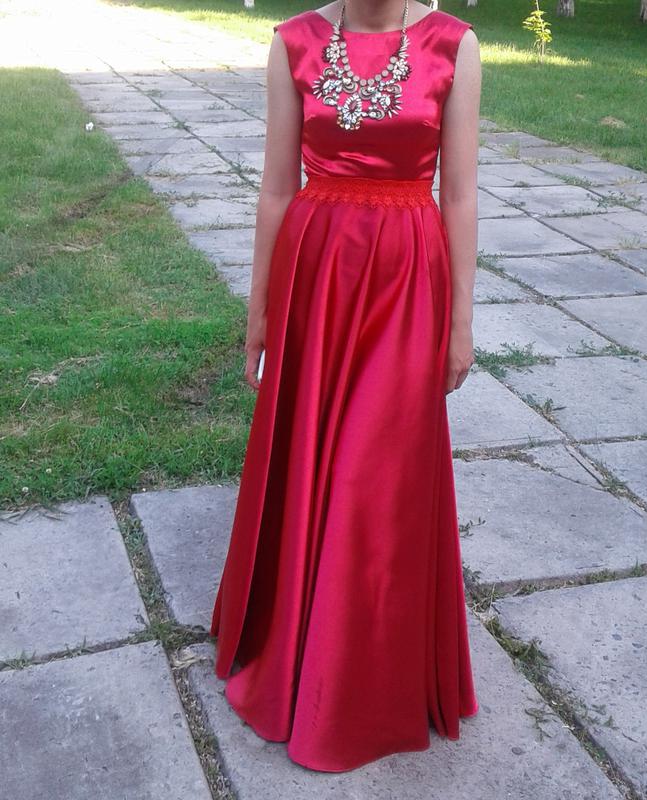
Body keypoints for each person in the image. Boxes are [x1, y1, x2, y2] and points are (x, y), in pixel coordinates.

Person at [210, 0, 482, 773]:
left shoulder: (454, 46)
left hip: (406, 278)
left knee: (376, 473)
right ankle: (300, 648)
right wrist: (261, 311)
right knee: (311, 460)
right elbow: (275, 188)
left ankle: (358, 681)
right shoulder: (293, 42)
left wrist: (461, 322)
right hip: (317, 272)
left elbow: (459, 195)